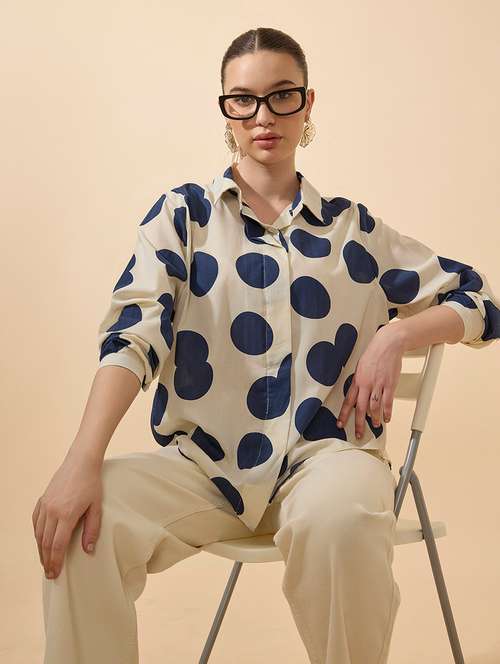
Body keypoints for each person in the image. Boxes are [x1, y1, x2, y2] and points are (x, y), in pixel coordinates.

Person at [33, 26, 500, 664]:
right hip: (204, 470)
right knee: (78, 524)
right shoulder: (183, 218)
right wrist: (81, 461)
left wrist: (398, 332)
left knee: (340, 520)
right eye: (243, 99)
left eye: (282, 95)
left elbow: (481, 300)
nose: (263, 116)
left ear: (308, 103)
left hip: (326, 461)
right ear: (225, 109)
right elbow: (133, 335)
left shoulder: (354, 232)